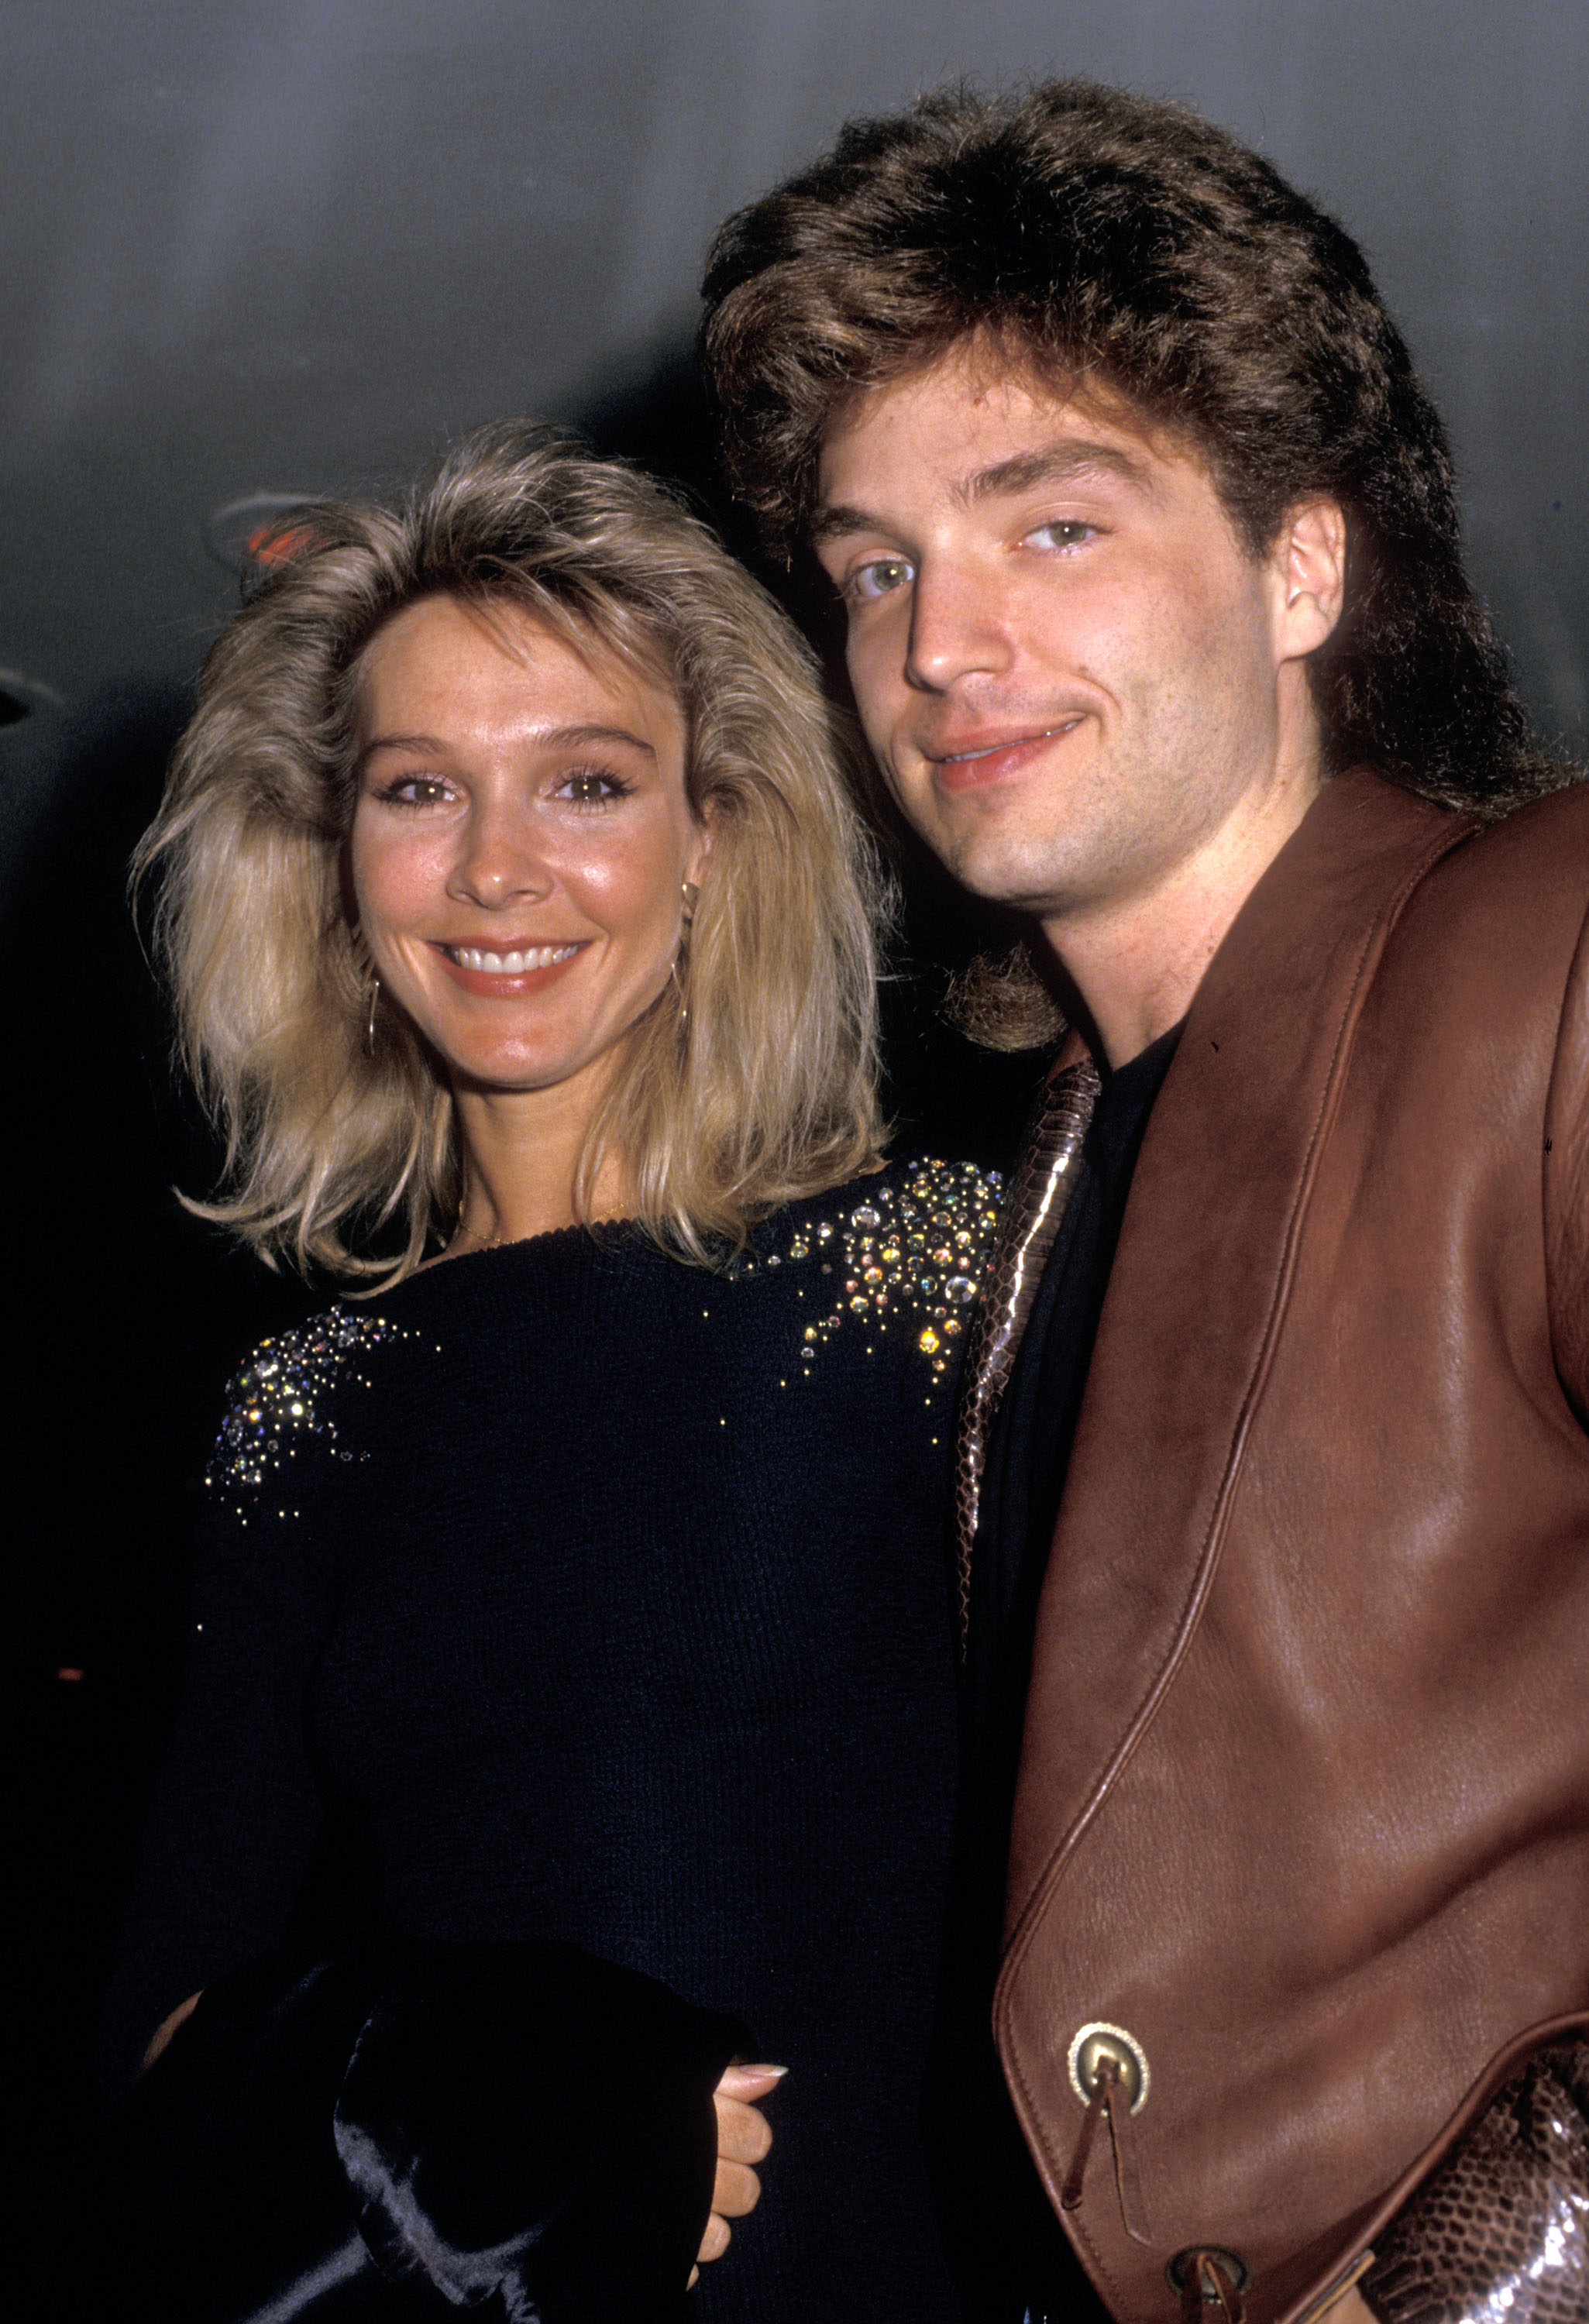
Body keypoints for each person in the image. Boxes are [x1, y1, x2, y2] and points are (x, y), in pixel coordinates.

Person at [700, 80, 1589, 2324]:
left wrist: (1489, 2281)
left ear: (1303, 563)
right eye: (875, 563)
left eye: (1052, 526)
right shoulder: (1044, 1179)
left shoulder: (1545, 950)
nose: (934, 643)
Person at [105, 420, 1001, 2321]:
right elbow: (170, 2022)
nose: (498, 871)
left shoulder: (935, 1275)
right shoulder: (306, 1410)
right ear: (338, 870)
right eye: (422, 790)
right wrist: (496, 2093)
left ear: (712, 841)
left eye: (587, 782)